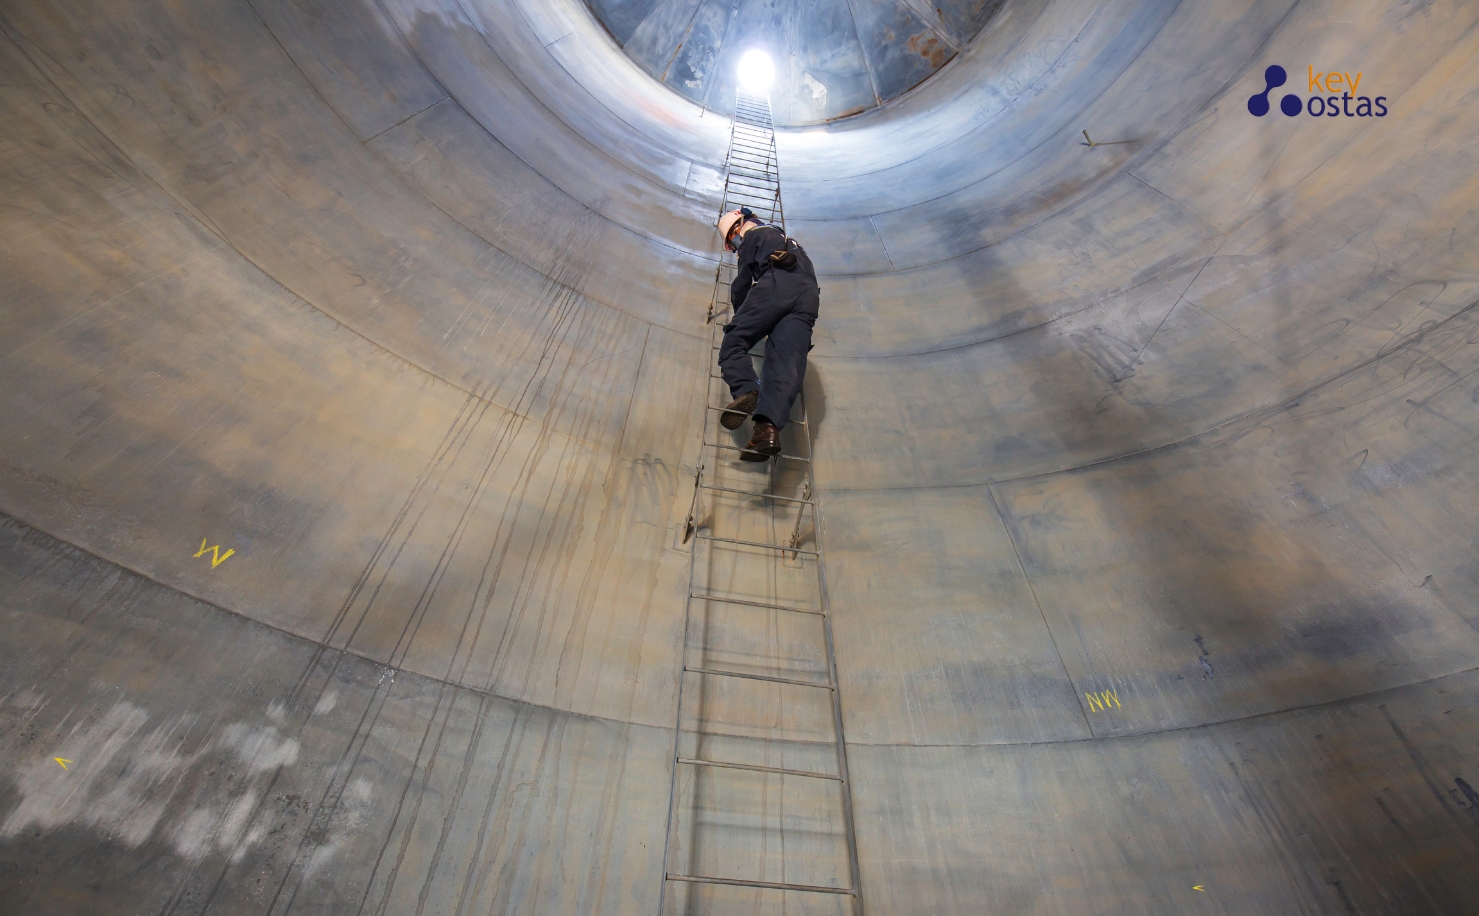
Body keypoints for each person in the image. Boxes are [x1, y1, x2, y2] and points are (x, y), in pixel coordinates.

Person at [714, 208, 820, 461]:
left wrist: (744, 318)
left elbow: (741, 284)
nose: (734, 247)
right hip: (809, 299)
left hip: (777, 285)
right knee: (786, 364)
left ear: (737, 228)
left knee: (734, 341)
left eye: (731, 242)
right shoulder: (793, 244)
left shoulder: (754, 235)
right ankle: (767, 430)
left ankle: (746, 389)